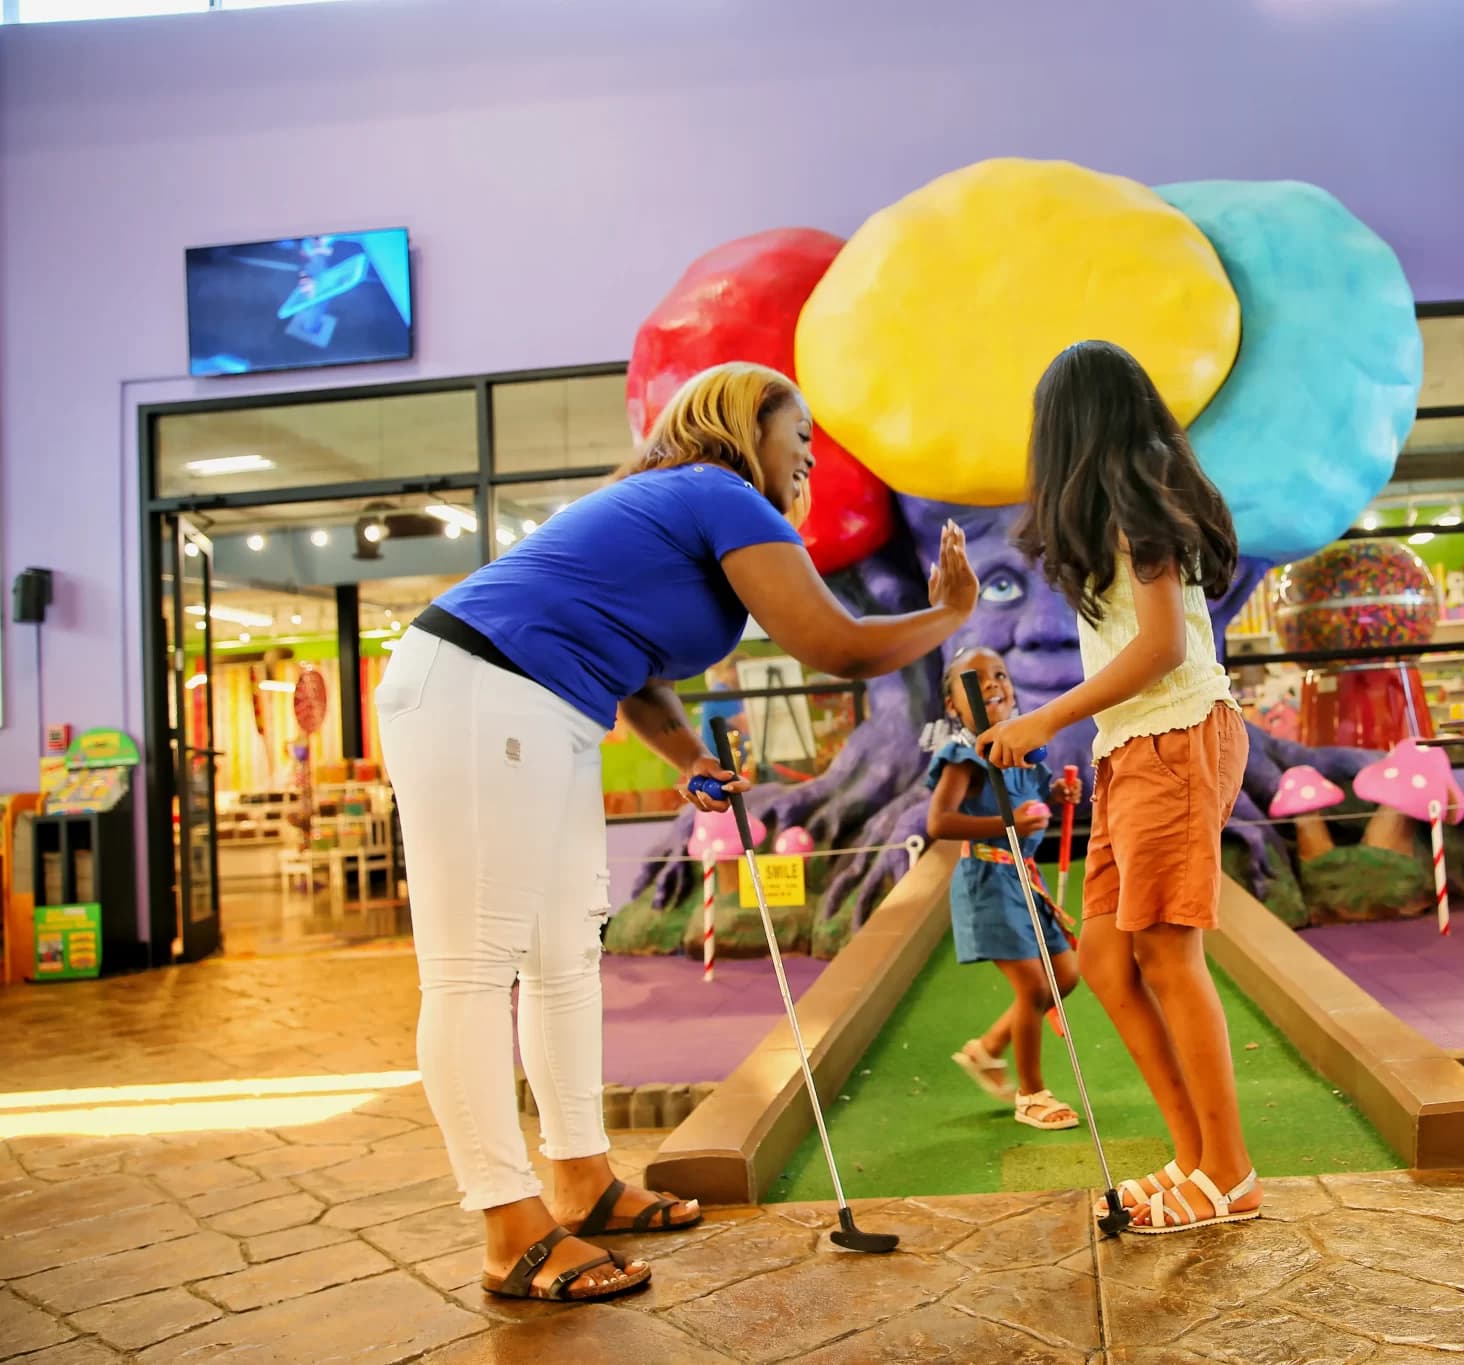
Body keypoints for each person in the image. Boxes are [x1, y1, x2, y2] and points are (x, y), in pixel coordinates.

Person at [374, 361, 977, 1302]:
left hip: (551, 704)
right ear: (747, 430)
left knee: (565, 954)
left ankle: (579, 1180)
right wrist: (949, 614)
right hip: (481, 687)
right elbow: (838, 646)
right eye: (800, 434)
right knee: (474, 965)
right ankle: (508, 1224)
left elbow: (636, 662)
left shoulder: (681, 508)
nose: (811, 454)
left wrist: (689, 755)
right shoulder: (719, 491)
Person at [977, 339, 1259, 1235]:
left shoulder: (1142, 507)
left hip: (1174, 736)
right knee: (1103, 959)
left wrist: (1042, 717)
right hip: (1130, 746)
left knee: (1170, 956)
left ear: (1066, 427)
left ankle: (1230, 1170)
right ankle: (1193, 1158)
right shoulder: (1118, 510)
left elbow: (1163, 648)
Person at [925, 646, 1084, 1131]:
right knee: (1035, 987)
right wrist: (1007, 820)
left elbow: (1036, 795)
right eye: (974, 681)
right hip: (987, 880)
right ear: (954, 706)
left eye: (999, 674)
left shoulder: (1022, 750)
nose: (992, 683)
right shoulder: (963, 757)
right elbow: (938, 822)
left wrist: (1057, 794)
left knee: (1066, 975)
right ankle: (1031, 1094)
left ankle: (989, 1048)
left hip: (1023, 878)